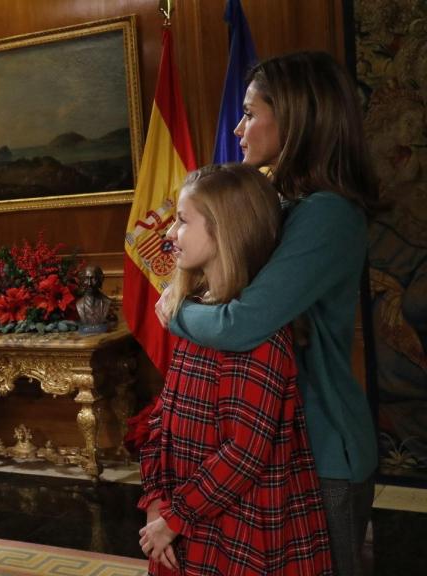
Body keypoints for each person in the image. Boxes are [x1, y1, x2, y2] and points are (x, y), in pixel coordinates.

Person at [156, 51, 380, 576]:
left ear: (298, 118)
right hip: (270, 442)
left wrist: (176, 311)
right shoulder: (286, 201)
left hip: (321, 446)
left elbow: (241, 323)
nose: (238, 127)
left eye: (251, 112)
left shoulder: (327, 214)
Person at [140, 164, 333, 574]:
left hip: (241, 525)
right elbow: (166, 414)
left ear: (224, 230)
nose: (170, 234)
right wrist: (157, 500)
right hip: (186, 513)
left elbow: (245, 453)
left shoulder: (256, 333)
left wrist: (175, 517)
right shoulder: (196, 310)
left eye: (182, 220)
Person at [76, 265, 114, 332]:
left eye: (93, 278)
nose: (89, 283)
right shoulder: (79, 305)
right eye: (86, 278)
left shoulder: (107, 302)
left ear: (100, 280)